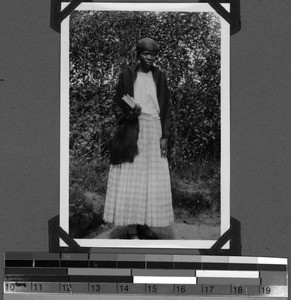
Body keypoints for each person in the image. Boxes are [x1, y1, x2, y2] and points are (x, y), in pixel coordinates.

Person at [103, 37, 174, 239]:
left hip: (154, 130)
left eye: (153, 54)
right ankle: (132, 227)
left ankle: (144, 224)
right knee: (132, 178)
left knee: (150, 181)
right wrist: (127, 116)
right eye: (146, 53)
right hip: (133, 129)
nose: (150, 58)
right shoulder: (126, 75)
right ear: (138, 54)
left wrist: (165, 136)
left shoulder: (160, 77)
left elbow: (166, 109)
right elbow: (117, 103)